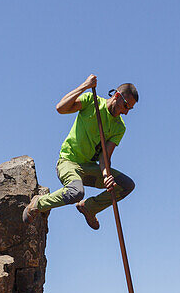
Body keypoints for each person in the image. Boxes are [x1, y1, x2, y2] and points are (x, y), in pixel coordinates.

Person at [23, 74, 138, 231]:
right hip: (68, 162)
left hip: (89, 168)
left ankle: (89, 208)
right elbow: (60, 108)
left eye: (130, 109)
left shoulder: (119, 127)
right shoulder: (92, 102)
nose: (126, 112)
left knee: (127, 185)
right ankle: (38, 204)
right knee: (76, 192)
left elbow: (105, 158)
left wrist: (106, 176)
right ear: (117, 96)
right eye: (126, 106)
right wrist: (85, 85)